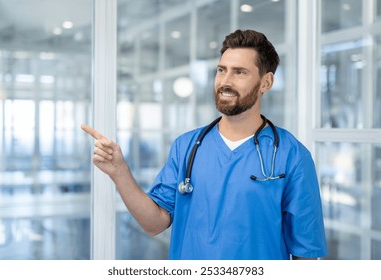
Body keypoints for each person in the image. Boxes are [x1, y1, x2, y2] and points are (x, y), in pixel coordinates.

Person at [81, 29, 327, 260]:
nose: (225, 81)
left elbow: (305, 254)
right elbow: (154, 223)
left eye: (239, 72)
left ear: (266, 82)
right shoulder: (186, 147)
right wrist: (119, 172)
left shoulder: (292, 155)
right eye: (221, 70)